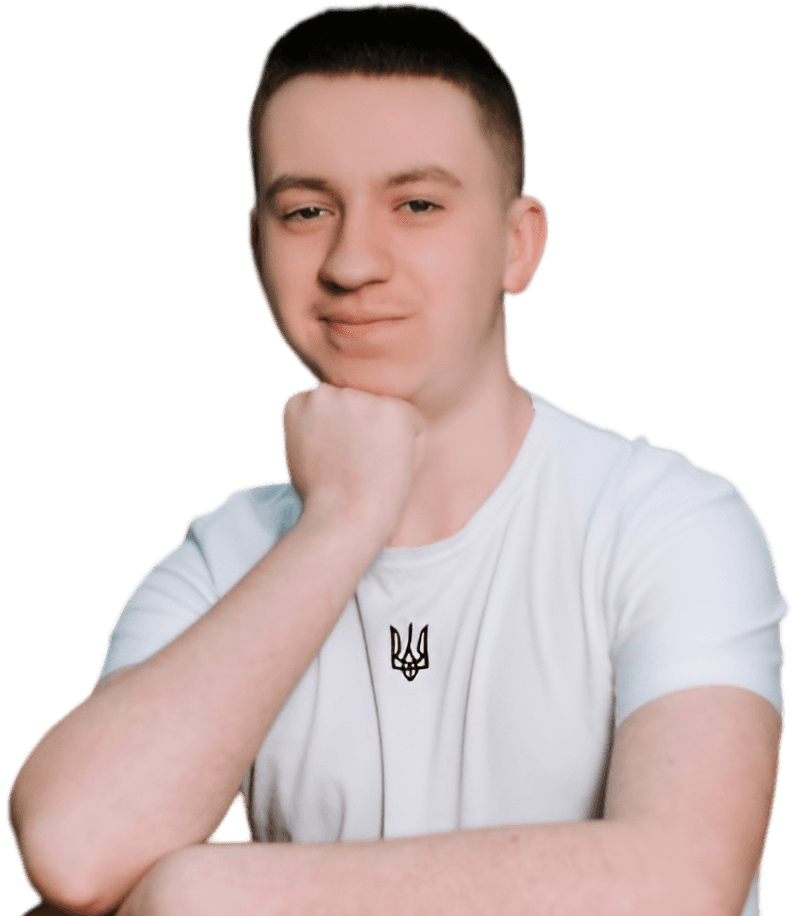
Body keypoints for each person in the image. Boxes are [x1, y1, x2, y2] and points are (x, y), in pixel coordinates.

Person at [8, 4, 786, 915]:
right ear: (256, 247)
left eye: (416, 205)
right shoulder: (223, 556)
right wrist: (341, 523)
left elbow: (682, 885)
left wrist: (204, 888)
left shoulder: (668, 522)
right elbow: (73, 850)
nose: (351, 262)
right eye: (306, 211)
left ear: (518, 244)